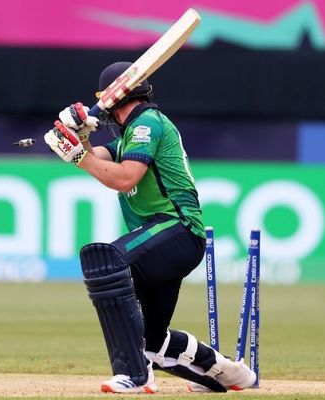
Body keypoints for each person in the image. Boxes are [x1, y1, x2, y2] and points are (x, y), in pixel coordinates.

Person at [44, 61, 256, 394]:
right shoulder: (130, 133)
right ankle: (227, 373)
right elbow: (97, 156)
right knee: (150, 343)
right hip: (161, 242)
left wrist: (77, 157)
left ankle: (134, 375)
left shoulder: (148, 125)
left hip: (176, 229)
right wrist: (79, 135)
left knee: (106, 259)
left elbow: (125, 177)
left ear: (111, 98)